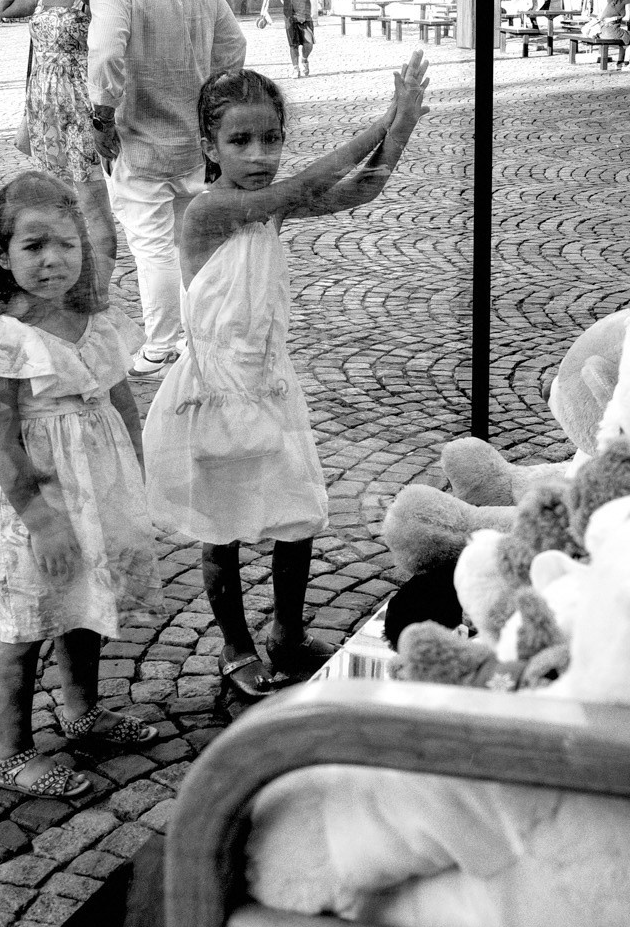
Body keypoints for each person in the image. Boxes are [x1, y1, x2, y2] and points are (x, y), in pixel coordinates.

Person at [145, 53, 429, 698]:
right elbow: (299, 188)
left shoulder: (262, 207)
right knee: (222, 530)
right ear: (209, 147)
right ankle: (236, 645)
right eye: (241, 140)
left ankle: (289, 635)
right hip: (214, 392)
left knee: (295, 512)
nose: (259, 153)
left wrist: (402, 129)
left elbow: (363, 189)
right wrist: (387, 117)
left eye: (271, 138)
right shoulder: (210, 211)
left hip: (270, 383)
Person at [0, 172, 161, 799]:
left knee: (86, 604)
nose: (52, 259)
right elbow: (0, 440)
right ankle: (11, 752)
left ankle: (81, 711)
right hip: (35, 503)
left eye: (66, 244)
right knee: (27, 621)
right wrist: (41, 519)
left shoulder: (96, 324)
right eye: (34, 245)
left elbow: (120, 403)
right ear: (1, 255)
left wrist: (136, 479)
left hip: (98, 489)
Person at [88, 0, 248, 378]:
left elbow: (107, 55)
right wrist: (212, 104)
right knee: (190, 241)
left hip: (139, 137)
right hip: (193, 137)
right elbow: (233, 47)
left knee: (152, 245)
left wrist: (100, 116)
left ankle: (161, 346)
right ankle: (198, 337)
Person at [0, 0, 117, 297]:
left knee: (93, 204)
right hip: (45, 109)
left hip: (78, 107)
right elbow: (2, 7)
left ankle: (99, 291)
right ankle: (74, 284)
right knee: (61, 201)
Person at [258, 0, 316, 77]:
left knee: (309, 43)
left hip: (305, 14)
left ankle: (304, 60)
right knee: (293, 44)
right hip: (289, 15)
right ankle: (295, 68)